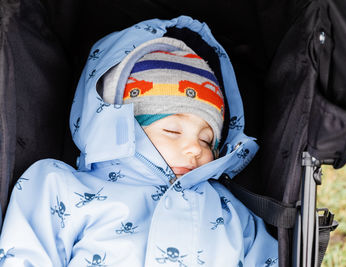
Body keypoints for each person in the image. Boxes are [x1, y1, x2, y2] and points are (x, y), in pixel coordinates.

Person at [0, 16, 278, 266]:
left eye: (207, 140)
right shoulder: (61, 188)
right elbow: (25, 254)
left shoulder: (231, 213)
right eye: (172, 130)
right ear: (119, 125)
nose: (195, 149)